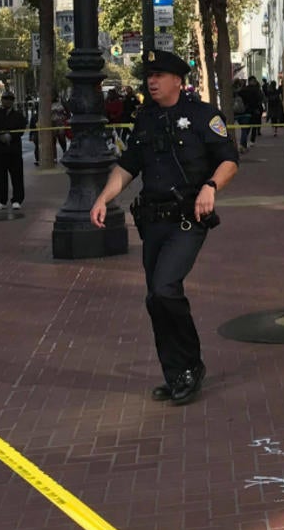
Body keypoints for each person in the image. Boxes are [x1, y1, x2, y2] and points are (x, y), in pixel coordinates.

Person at [90, 50, 239, 406]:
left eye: (159, 75)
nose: (151, 82)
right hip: (153, 223)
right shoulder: (145, 119)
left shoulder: (203, 115)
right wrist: (103, 198)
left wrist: (211, 187)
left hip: (188, 219)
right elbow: (127, 167)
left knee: (165, 288)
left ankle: (191, 366)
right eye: (149, 76)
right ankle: (176, 375)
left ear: (178, 79)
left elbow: (229, 160)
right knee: (156, 299)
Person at [0, 92, 27, 210]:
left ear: (13, 101)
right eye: (5, 99)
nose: (7, 101)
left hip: (13, 150)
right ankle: (0, 200)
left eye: (10, 99)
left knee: (17, 176)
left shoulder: (18, 116)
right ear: (1, 100)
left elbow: (21, 130)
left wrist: (10, 136)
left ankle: (17, 199)